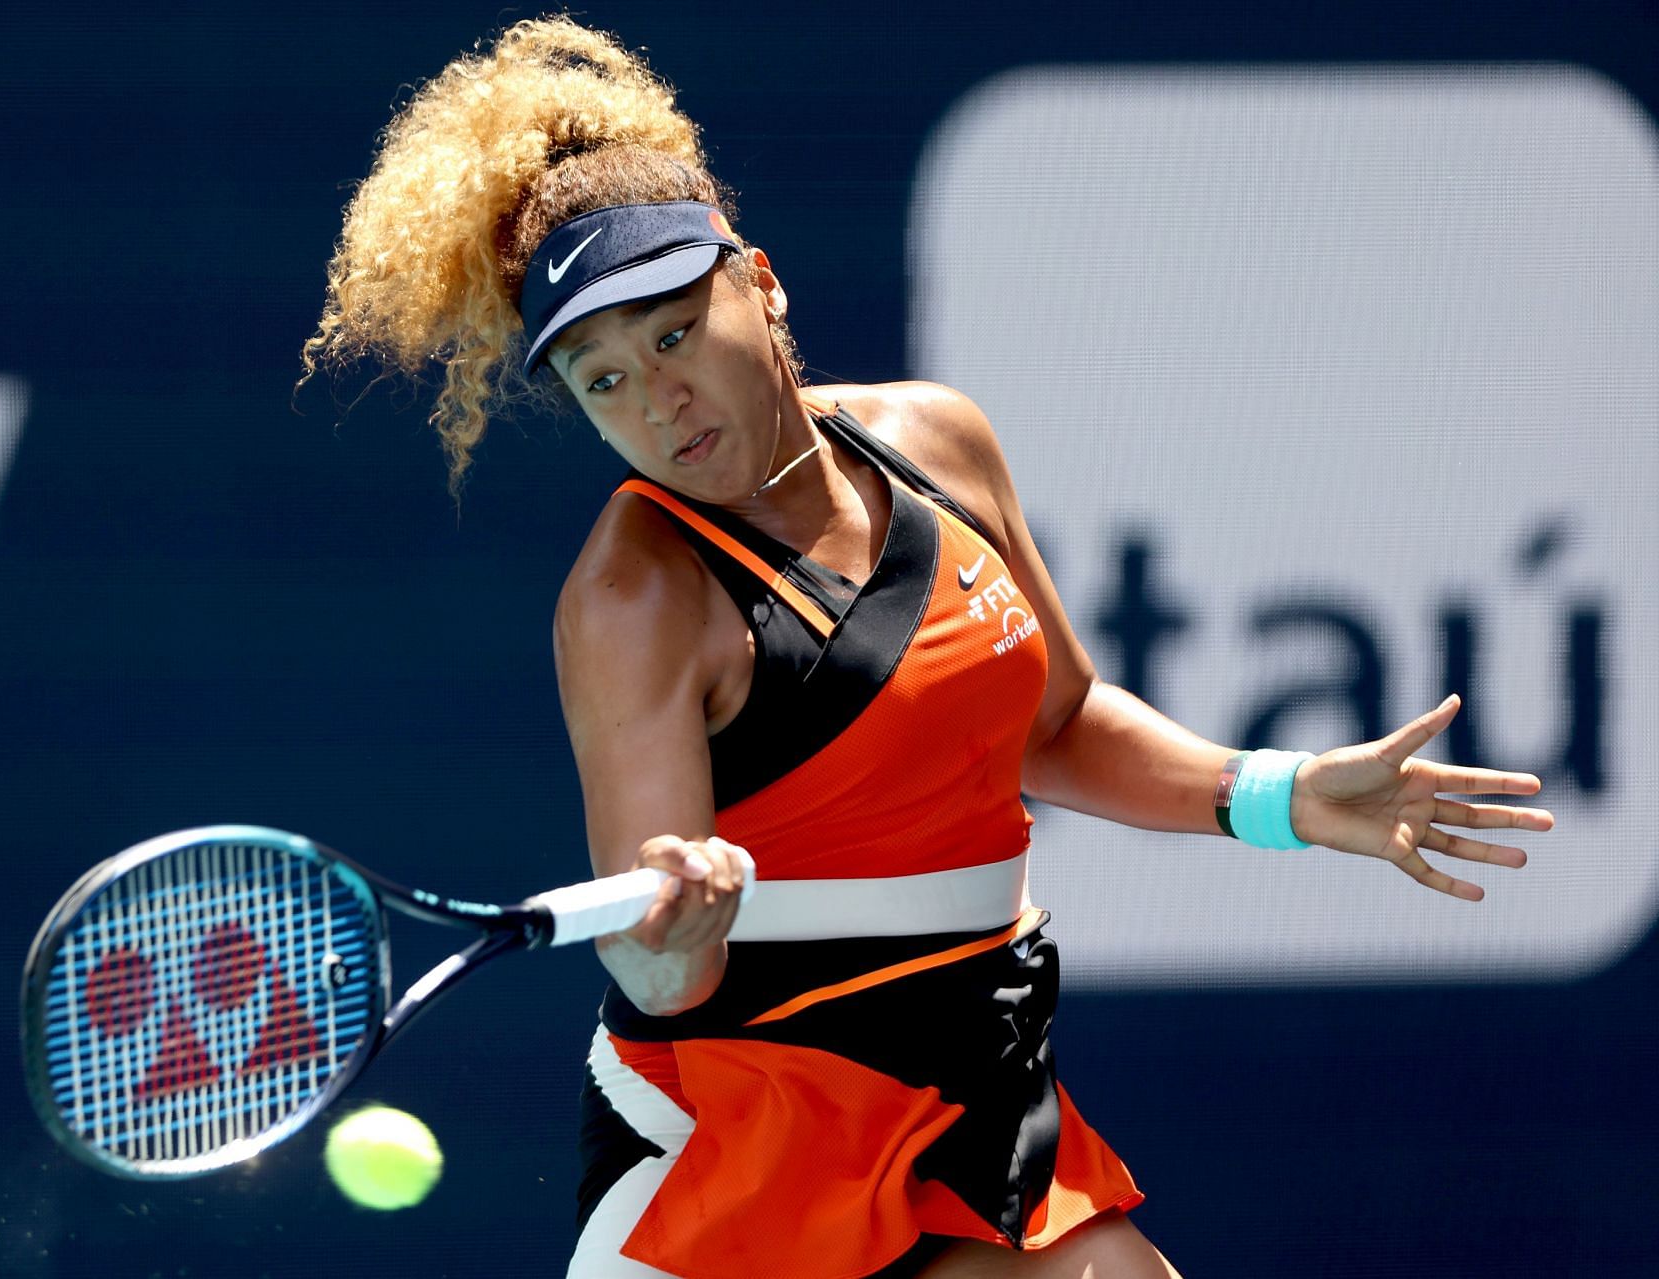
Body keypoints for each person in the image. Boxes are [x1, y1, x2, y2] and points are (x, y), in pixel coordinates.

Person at [300, 19, 1555, 1278]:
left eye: (674, 333)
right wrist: (675, 929)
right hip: (749, 1133)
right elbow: (661, 971)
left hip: (970, 1080)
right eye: (602, 380)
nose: (656, 400)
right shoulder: (636, 598)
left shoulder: (939, 444)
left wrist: (1277, 795)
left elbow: (1054, 726)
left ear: (762, 281)